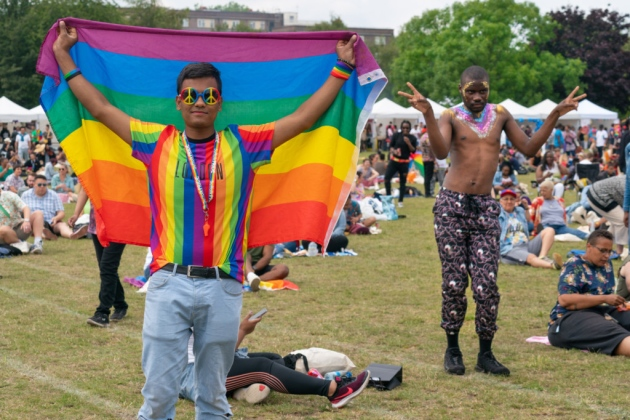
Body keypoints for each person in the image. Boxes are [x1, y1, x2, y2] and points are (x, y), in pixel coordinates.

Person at [53, 20, 357, 419]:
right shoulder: (155, 141)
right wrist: (63, 55)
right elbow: (100, 107)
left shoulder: (244, 143)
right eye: (190, 94)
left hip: (222, 287)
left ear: (219, 101)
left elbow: (302, 119)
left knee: (212, 398)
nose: (200, 100)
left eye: (208, 94)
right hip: (167, 282)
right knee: (159, 396)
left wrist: (342, 69)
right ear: (178, 101)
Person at [399, 65, 585, 376]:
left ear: (488, 89)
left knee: (487, 285)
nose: (476, 96)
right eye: (470, 91)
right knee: (455, 282)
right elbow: (442, 152)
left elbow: (528, 147)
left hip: (485, 206)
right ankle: (453, 348)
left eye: (481, 90)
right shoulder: (449, 115)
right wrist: (428, 114)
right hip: (451, 206)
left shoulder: (501, 114)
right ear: (461, 90)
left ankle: (485, 353)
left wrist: (554, 114)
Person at [180, 311, 371, 409]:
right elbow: (220, 356)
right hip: (195, 377)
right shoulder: (190, 303)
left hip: (202, 365)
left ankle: (239, 391)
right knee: (264, 367)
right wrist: (243, 330)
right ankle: (334, 391)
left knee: (271, 358)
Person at [548, 230, 630, 356]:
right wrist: (603, 298)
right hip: (569, 318)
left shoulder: (607, 265)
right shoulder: (574, 264)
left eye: (609, 251)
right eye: (603, 250)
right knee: (608, 330)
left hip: (600, 312)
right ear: (589, 247)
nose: (607, 255)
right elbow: (565, 300)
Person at [69, 189, 128, 328]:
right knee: (106, 267)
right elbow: (86, 188)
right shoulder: (94, 168)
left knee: (107, 267)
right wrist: (76, 213)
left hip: (118, 223)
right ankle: (120, 304)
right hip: (97, 223)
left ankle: (102, 312)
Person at [498, 189, 563, 270]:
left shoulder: (519, 211)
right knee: (531, 257)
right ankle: (552, 265)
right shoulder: (497, 213)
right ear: (500, 201)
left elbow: (530, 225)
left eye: (512, 199)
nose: (509, 201)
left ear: (515, 201)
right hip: (510, 249)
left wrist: (526, 208)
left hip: (527, 245)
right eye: (506, 199)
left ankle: (542, 257)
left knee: (550, 230)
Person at [21, 174, 73, 239]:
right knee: (37, 225)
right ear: (34, 184)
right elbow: (21, 212)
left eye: (44, 185)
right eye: (39, 185)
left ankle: (71, 235)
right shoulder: (26, 195)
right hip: (35, 222)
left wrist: (56, 218)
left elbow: (61, 212)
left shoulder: (53, 195)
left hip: (51, 222)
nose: (42, 186)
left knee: (62, 225)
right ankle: (46, 235)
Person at [586, 175, 627, 255]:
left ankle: (603, 246)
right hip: (598, 195)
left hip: (597, 193)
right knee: (622, 221)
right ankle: (619, 252)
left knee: (618, 220)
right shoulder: (626, 183)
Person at [0, 188, 45, 254]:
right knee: (4, 229)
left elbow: (25, 208)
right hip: (3, 234)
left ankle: (38, 243)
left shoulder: (9, 195)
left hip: (19, 228)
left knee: (38, 214)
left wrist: (26, 221)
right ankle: (25, 245)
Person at [384, 120, 417, 207]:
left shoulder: (413, 138)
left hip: (404, 163)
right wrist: (394, 151)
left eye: (407, 128)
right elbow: (391, 146)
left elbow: (413, 151)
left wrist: (408, 143)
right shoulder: (396, 135)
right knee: (387, 178)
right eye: (403, 128)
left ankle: (400, 201)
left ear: (410, 129)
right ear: (401, 128)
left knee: (402, 182)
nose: (405, 129)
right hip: (394, 161)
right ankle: (388, 198)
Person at [419, 128, 436, 197]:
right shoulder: (428, 137)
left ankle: (427, 192)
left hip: (424, 158)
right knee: (429, 177)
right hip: (429, 159)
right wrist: (434, 156)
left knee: (426, 176)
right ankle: (428, 193)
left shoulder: (422, 137)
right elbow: (430, 147)